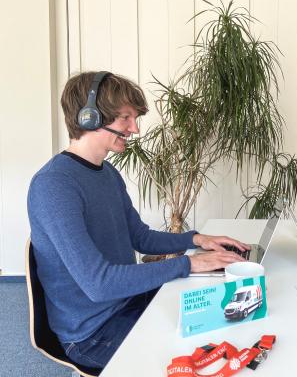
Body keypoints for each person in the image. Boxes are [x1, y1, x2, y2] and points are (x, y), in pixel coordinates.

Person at [27, 71, 249, 370]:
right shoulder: (54, 186)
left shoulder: (107, 174)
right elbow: (99, 284)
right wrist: (189, 263)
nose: (135, 129)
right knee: (201, 361)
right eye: (126, 118)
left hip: (128, 302)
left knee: (228, 322)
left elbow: (140, 238)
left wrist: (197, 240)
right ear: (89, 117)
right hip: (93, 334)